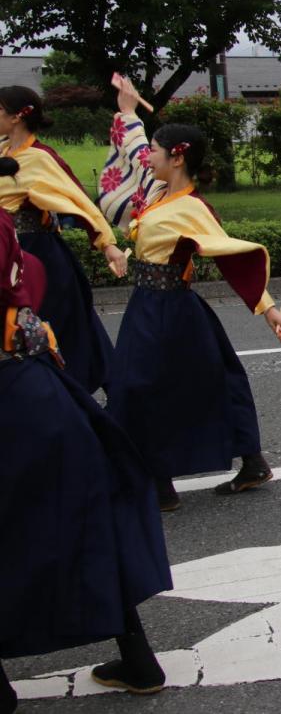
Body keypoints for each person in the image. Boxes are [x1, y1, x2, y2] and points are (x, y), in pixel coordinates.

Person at [0, 162, 172, 708]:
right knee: (84, 519)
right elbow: (32, 274)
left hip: (10, 399)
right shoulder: (5, 229)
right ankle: (139, 659)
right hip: (39, 391)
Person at [99, 77, 281, 512]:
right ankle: (235, 464)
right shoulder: (157, 192)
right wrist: (127, 109)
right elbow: (132, 151)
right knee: (192, 381)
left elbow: (231, 255)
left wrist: (269, 308)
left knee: (141, 385)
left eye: (155, 150)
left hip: (169, 310)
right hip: (151, 305)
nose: (146, 155)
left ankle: (161, 483)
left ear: (176, 157)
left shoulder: (190, 208)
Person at [0, 86, 125, 392]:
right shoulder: (3, 151)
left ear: (17, 117)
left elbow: (77, 199)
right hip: (8, 249)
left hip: (35, 254)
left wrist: (107, 243)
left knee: (51, 327)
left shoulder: (40, 158)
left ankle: (61, 395)